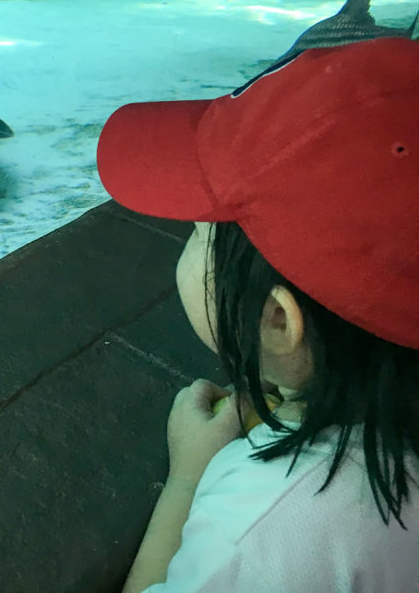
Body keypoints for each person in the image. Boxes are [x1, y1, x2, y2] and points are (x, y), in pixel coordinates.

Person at [94, 36, 419, 591]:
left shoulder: (268, 525)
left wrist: (188, 478)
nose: (188, 242)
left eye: (198, 232)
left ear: (276, 320)